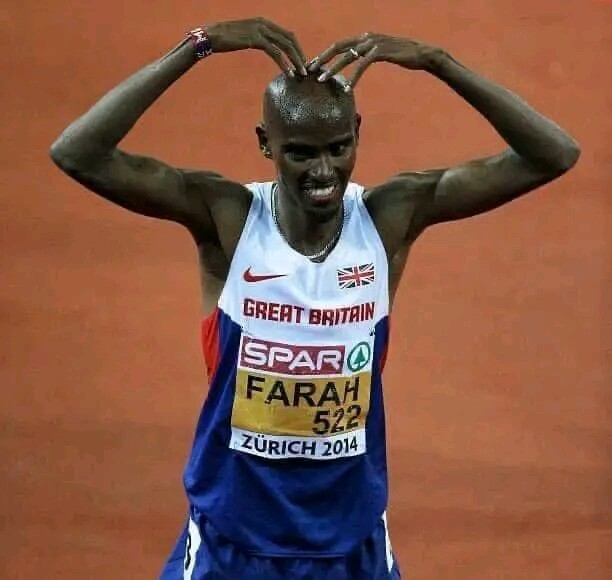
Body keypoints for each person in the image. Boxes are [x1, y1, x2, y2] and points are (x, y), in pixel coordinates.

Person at [50, 17, 580, 580]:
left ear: (358, 133)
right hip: (233, 543)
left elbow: (554, 154)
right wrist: (197, 46)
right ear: (265, 143)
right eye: (301, 153)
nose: (324, 171)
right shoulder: (228, 219)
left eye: (339, 147)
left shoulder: (388, 218)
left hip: (350, 544)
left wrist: (438, 62)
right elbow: (78, 153)